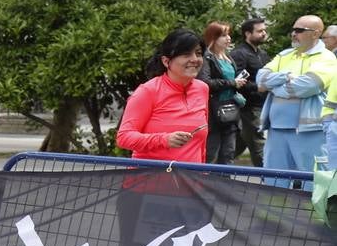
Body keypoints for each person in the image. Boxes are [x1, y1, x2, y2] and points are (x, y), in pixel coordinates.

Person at [258, 15, 337, 179]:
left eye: (300, 30)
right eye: (293, 30)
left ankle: (314, 207)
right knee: (274, 182)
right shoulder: (284, 55)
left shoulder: (327, 58)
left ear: (315, 34)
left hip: (310, 131)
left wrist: (273, 87)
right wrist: (287, 77)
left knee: (314, 182)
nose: (294, 34)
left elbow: (307, 86)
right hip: (276, 130)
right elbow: (261, 78)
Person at [116, 29, 209, 162]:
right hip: (151, 178)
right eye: (186, 54)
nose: (194, 59)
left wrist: (202, 175)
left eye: (198, 53)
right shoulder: (147, 91)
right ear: (166, 61)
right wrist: (164, 140)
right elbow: (124, 137)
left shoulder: (202, 89)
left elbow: (201, 145)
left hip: (191, 179)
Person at [198, 22, 244, 165]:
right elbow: (205, 83)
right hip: (214, 111)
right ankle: (204, 183)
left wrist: (238, 84)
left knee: (228, 152)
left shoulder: (228, 58)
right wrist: (232, 83)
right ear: (213, 38)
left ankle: (225, 184)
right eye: (224, 35)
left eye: (228, 34)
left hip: (231, 109)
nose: (228, 38)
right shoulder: (207, 58)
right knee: (211, 152)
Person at [230, 18, 270, 167]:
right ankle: (269, 180)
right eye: (259, 31)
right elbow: (238, 80)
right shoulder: (239, 54)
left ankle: (212, 170)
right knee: (258, 144)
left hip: (262, 105)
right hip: (249, 107)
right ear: (248, 33)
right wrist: (257, 87)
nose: (264, 33)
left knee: (238, 144)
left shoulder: (262, 54)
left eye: (264, 30)